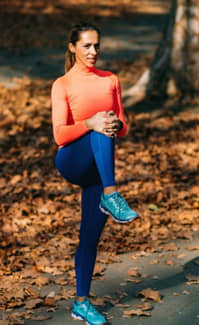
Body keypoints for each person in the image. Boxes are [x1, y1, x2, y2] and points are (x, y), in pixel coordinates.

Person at [51, 22, 139, 325]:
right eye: (87, 45)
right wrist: (92, 123)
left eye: (97, 45)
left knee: (89, 238)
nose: (93, 51)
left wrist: (116, 125)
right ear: (73, 47)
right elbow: (60, 136)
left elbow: (124, 125)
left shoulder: (110, 80)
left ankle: (81, 303)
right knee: (101, 125)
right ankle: (112, 195)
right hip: (71, 160)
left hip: (98, 171)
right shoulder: (62, 84)